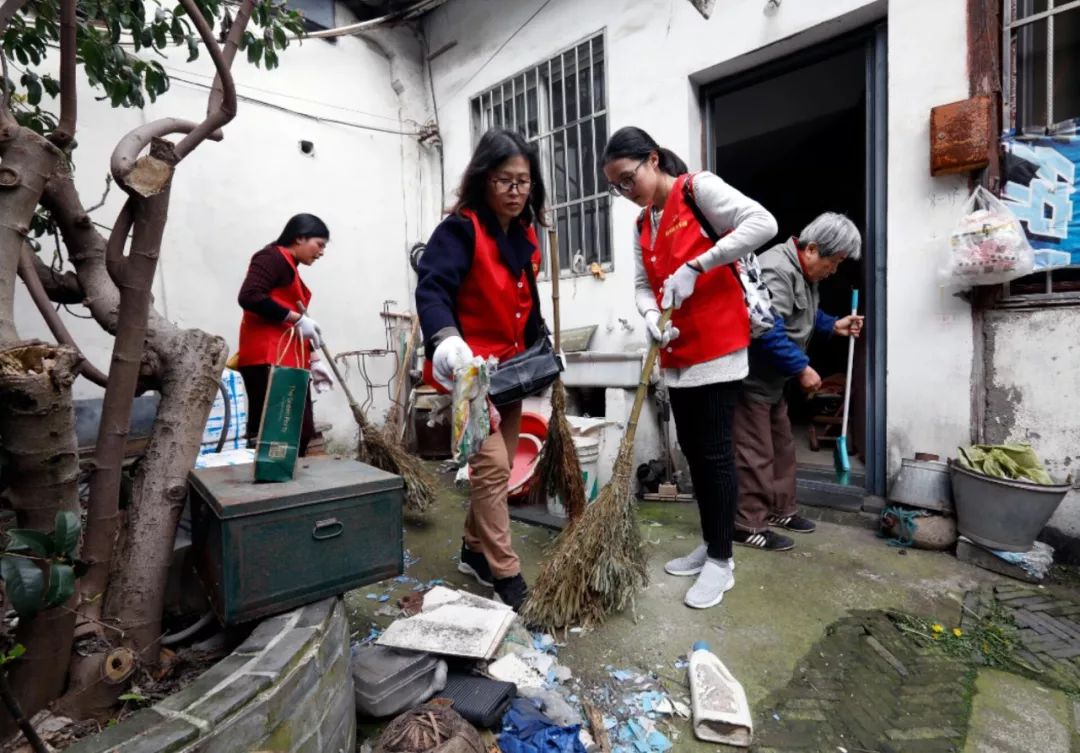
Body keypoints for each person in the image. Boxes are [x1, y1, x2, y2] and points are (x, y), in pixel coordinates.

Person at [601, 126, 778, 609]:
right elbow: (641, 285)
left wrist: (699, 265)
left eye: (627, 178)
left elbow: (763, 223)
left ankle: (723, 563)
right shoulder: (643, 224)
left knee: (716, 453)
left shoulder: (697, 189)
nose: (624, 191)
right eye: (615, 186)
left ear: (653, 159)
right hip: (676, 352)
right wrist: (649, 316)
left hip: (718, 347)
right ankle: (712, 542)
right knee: (695, 454)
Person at [414, 128, 549, 612]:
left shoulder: (525, 232)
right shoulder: (461, 229)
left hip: (512, 372)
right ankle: (507, 575)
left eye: (524, 182)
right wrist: (446, 340)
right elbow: (432, 289)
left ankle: (473, 550)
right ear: (483, 180)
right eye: (504, 182)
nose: (515, 192)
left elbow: (525, 298)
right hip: (470, 372)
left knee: (502, 463)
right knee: (491, 466)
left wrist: (543, 341)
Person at [734, 213, 864, 550]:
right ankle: (747, 524)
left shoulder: (805, 274)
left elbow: (803, 314)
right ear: (811, 248)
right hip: (751, 381)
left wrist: (833, 325)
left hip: (774, 381)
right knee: (755, 454)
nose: (833, 270)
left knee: (782, 447)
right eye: (833, 262)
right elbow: (766, 329)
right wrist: (803, 368)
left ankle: (780, 510)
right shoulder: (777, 268)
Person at [235, 213, 334, 456]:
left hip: (288, 360)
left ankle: (285, 480)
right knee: (277, 432)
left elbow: (294, 322)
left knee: (298, 431)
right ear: (299, 237)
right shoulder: (271, 258)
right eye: (319, 244)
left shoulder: (290, 267)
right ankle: (274, 483)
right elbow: (249, 296)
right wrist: (297, 318)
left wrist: (314, 359)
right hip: (268, 359)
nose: (321, 252)